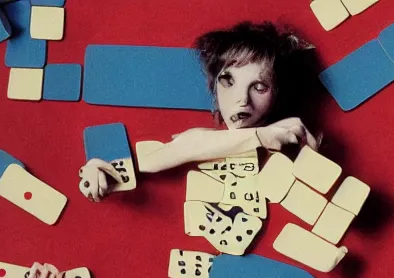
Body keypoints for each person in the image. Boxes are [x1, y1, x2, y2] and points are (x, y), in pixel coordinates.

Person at [79, 21, 319, 202]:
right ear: (213, 84)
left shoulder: (295, 135)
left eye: (259, 87)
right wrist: (106, 169)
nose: (242, 99)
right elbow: (184, 147)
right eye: (228, 81)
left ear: (278, 93)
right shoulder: (202, 139)